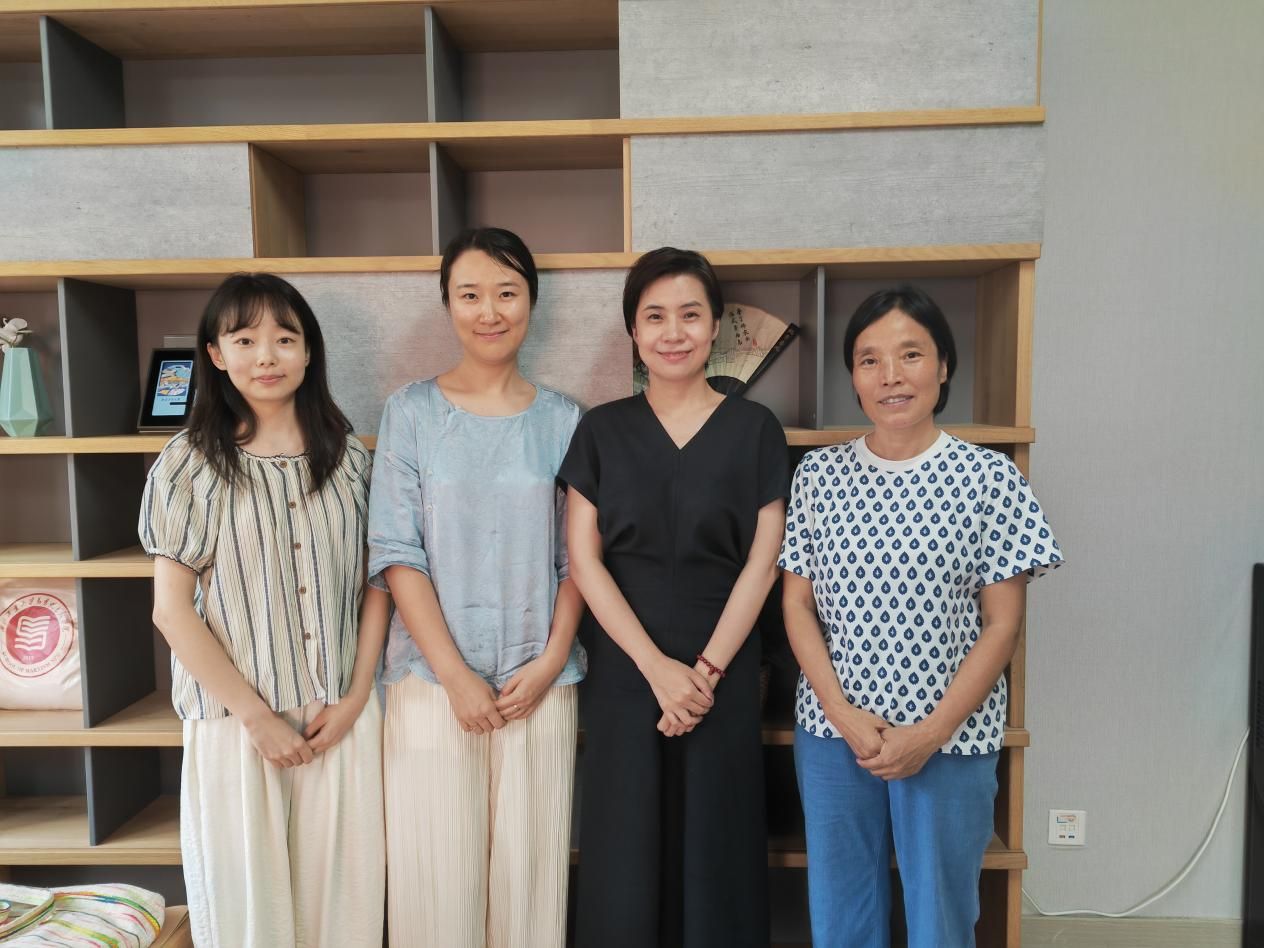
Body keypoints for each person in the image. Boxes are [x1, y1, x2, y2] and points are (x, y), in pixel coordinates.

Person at [779, 285, 1064, 947]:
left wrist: (930, 734)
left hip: (948, 738)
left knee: (941, 916)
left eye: (911, 354)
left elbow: (1002, 625)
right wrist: (841, 713)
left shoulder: (990, 478)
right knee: (842, 913)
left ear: (943, 366)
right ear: (853, 377)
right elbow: (796, 603)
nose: (891, 375)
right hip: (834, 733)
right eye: (869, 359)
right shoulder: (818, 475)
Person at [141, 273, 387, 947]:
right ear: (216, 354)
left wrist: (356, 697)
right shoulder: (188, 465)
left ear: (308, 351)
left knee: (346, 916)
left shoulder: (351, 461)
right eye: (244, 340)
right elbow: (171, 611)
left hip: (338, 718)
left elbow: (379, 584)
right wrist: (257, 718)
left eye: (284, 337)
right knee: (250, 919)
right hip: (236, 726)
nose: (267, 356)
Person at [561, 247, 787, 948]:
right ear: (633, 330)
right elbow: (584, 560)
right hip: (626, 670)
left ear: (715, 325)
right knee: (625, 850)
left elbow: (764, 562)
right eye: (654, 316)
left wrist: (706, 673)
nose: (673, 332)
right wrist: (657, 669)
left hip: (723, 671)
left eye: (690, 314)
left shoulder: (755, 428)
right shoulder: (601, 429)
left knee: (716, 848)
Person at [368, 227, 585, 948]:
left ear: (531, 303)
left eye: (506, 293)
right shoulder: (411, 412)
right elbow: (397, 553)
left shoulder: (563, 420)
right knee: (436, 881)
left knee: (530, 883)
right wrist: (456, 675)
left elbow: (578, 559)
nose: (489, 311)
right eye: (470, 295)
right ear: (448, 305)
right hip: (431, 684)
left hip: (538, 684)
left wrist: (551, 660)